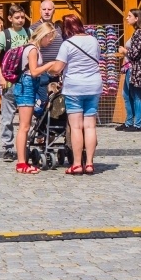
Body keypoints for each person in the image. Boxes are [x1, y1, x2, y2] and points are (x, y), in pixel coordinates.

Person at [47, 15, 102, 176]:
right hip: (93, 86)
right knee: (90, 125)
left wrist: (48, 68)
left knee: (76, 126)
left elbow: (57, 68)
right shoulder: (94, 41)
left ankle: (77, 164)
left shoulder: (67, 44)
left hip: (74, 88)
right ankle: (90, 163)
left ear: (66, 29)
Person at [13, 23, 56, 175]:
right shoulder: (32, 49)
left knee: (25, 126)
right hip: (27, 87)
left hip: (29, 86)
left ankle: (22, 161)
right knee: (24, 126)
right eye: (50, 38)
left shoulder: (33, 48)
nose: (50, 41)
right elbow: (33, 72)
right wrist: (49, 65)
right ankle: (21, 163)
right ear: (44, 35)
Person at [0, 4, 31, 162]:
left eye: (22, 17)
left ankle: (25, 145)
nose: (20, 20)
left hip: (26, 79)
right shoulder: (5, 35)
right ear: (10, 19)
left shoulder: (29, 33)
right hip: (9, 79)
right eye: (17, 18)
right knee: (7, 117)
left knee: (27, 116)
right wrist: (0, 76)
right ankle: (8, 147)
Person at [117, 9, 141, 132]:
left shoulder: (140, 33)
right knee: (127, 94)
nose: (127, 18)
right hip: (131, 68)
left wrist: (124, 51)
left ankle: (138, 124)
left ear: (137, 18)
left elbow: (134, 53)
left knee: (137, 95)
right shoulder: (136, 32)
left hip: (138, 69)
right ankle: (129, 121)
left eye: (129, 16)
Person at [29, 0, 64, 111]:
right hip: (42, 71)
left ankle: (55, 126)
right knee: (43, 104)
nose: (47, 12)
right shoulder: (33, 28)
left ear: (54, 10)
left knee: (58, 103)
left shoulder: (59, 28)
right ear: (40, 10)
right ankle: (42, 126)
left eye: (49, 9)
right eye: (44, 9)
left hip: (57, 71)